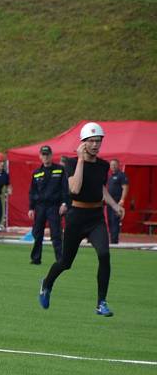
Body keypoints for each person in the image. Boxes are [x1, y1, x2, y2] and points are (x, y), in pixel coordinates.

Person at [39, 123, 124, 317]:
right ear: (83, 143)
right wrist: (80, 160)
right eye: (91, 141)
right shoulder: (70, 163)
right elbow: (75, 189)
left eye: (98, 141)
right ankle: (46, 283)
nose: (95, 145)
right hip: (76, 217)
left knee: (104, 254)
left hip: (96, 218)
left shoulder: (103, 166)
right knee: (65, 263)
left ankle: (101, 302)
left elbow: (100, 188)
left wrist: (114, 205)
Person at [27, 145, 68, 265]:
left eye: (47, 154)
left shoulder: (60, 170)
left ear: (51, 155)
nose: (46, 157)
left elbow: (65, 189)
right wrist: (31, 208)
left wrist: (65, 203)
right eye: (43, 155)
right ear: (40, 156)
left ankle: (60, 260)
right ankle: (36, 258)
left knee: (56, 234)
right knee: (37, 233)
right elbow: (32, 191)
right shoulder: (36, 173)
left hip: (54, 206)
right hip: (40, 207)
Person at [106, 159, 129, 244]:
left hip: (117, 202)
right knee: (110, 221)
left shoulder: (121, 175)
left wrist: (122, 200)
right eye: (112, 165)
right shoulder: (110, 176)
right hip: (109, 203)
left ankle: (114, 241)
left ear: (118, 165)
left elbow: (125, 188)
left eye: (115, 165)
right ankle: (112, 239)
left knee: (115, 220)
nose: (113, 166)